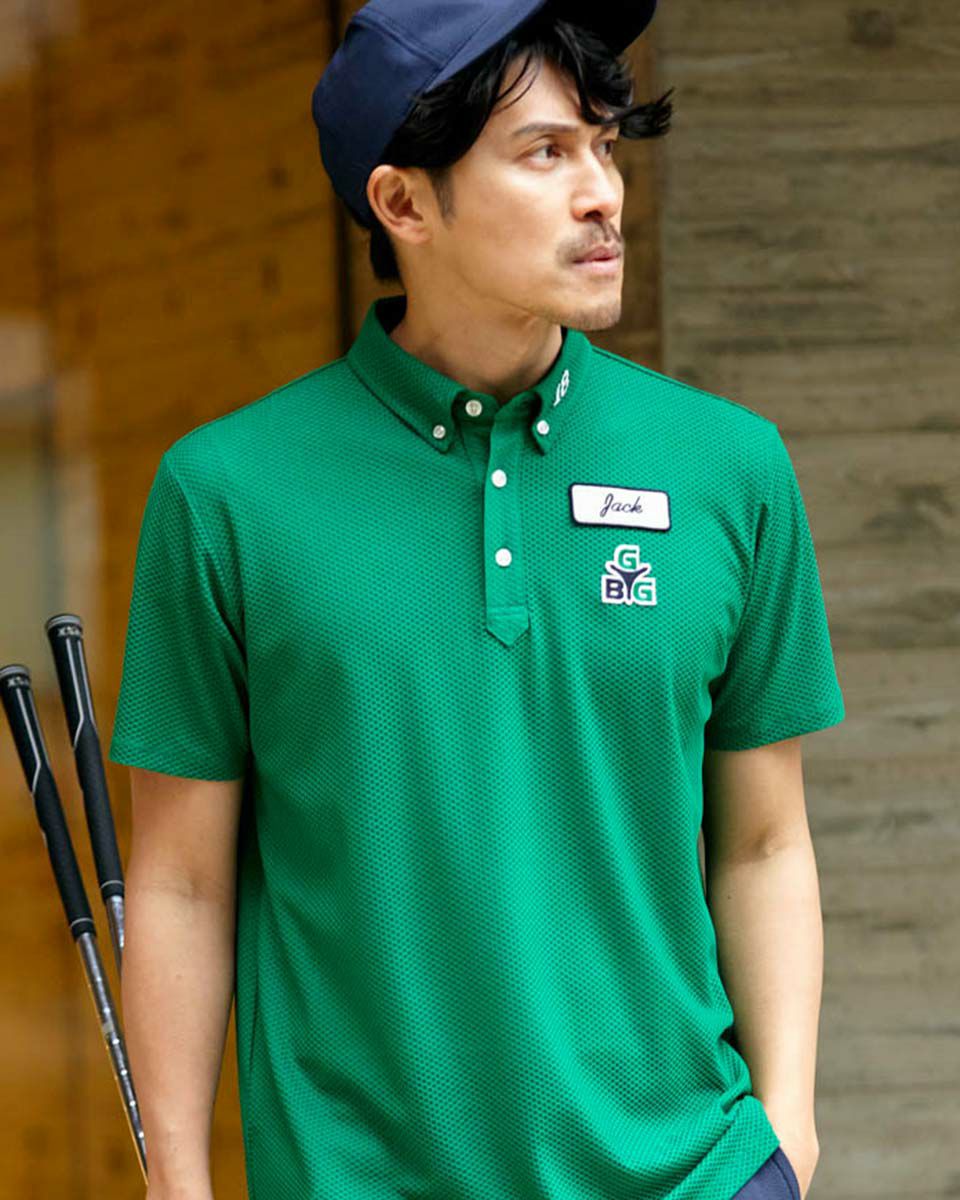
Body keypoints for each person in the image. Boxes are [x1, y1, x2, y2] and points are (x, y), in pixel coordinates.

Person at [109, 2, 843, 1198]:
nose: (602, 193)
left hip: (694, 1176)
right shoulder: (226, 496)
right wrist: (179, 1183)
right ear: (403, 204)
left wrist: (786, 1134)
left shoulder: (730, 468)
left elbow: (764, 843)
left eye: (604, 146)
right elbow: (183, 884)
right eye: (545, 152)